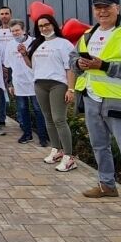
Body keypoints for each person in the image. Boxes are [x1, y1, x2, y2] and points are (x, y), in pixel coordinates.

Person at [70, 0, 121, 218]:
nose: (102, 12)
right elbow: (72, 58)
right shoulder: (87, 34)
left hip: (118, 101)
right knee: (99, 145)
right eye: (98, 8)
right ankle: (107, 184)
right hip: (91, 98)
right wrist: (78, 63)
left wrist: (103, 65)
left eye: (107, 7)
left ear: (117, 8)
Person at [23, 14, 75, 171]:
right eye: (40, 26)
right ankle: (56, 149)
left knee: (59, 119)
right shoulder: (38, 44)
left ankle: (69, 156)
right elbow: (34, 66)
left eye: (47, 25)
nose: (44, 28)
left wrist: (71, 89)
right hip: (40, 84)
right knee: (48, 118)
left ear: (54, 24)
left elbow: (70, 67)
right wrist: (25, 55)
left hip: (58, 84)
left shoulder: (64, 44)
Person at [6, 20, 49, 146]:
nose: (15, 33)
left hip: (35, 81)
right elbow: (8, 66)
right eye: (13, 31)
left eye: (17, 30)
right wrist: (10, 83)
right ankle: (27, 134)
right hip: (18, 82)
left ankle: (42, 136)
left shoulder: (35, 42)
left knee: (38, 109)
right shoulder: (9, 45)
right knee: (22, 109)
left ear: (24, 30)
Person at [0, 6, 14, 128]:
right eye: (2, 14)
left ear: (10, 15)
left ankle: (22, 120)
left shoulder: (16, 30)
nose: (4, 16)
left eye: (6, 13)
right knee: (0, 93)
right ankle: (1, 118)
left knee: (18, 94)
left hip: (14, 67)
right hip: (0, 67)